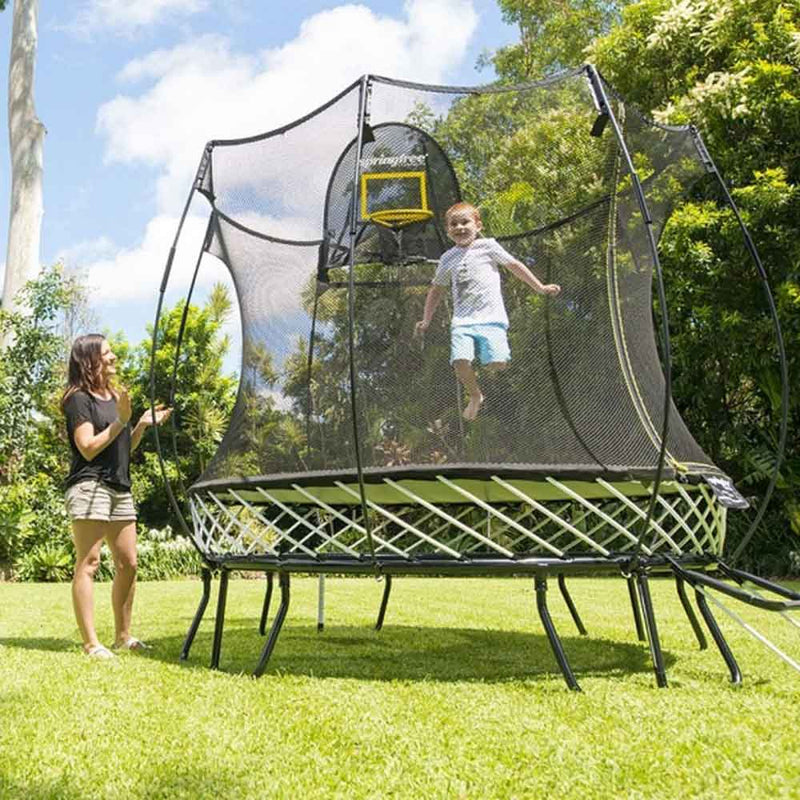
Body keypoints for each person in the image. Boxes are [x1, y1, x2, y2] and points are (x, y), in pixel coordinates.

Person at [61, 334, 171, 659]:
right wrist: (122, 420)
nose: (113, 357)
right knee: (89, 562)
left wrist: (138, 426)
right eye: (107, 353)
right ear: (90, 360)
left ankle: (123, 637)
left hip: (120, 487)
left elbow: (123, 448)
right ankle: (91, 644)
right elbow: (88, 447)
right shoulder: (78, 399)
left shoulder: (112, 396)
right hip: (90, 485)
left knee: (129, 563)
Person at [415, 202, 561, 420]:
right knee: (460, 361)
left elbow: (514, 266)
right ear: (448, 231)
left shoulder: (488, 246)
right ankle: (475, 395)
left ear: (478, 225)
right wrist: (426, 319)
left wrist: (539, 287)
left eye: (465, 222)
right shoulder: (447, 258)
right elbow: (436, 290)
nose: (460, 227)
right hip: (463, 321)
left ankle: (487, 358)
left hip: (491, 317)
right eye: (454, 224)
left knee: (497, 363)